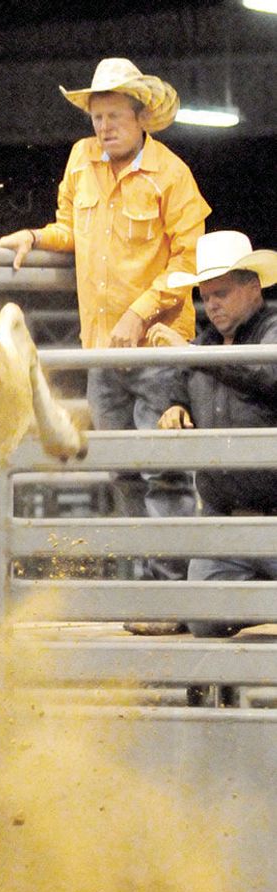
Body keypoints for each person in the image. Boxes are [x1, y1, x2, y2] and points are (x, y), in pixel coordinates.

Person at [0, 58, 210, 632]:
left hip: (159, 347)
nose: (103, 127)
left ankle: (169, 603)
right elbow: (71, 228)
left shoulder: (172, 175)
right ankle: (146, 595)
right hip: (99, 350)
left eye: (113, 116)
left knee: (161, 471)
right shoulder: (81, 162)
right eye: (96, 116)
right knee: (121, 472)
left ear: (142, 118)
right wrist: (37, 236)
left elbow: (192, 260)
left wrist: (142, 309)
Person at [149, 231, 277, 638]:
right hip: (225, 525)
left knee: (204, 614)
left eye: (221, 292)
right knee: (203, 619)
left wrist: (192, 354)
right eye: (205, 295)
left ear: (252, 287)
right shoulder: (203, 348)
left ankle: (250, 601)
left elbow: (267, 374)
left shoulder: (271, 332)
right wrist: (175, 406)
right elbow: (180, 385)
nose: (212, 304)